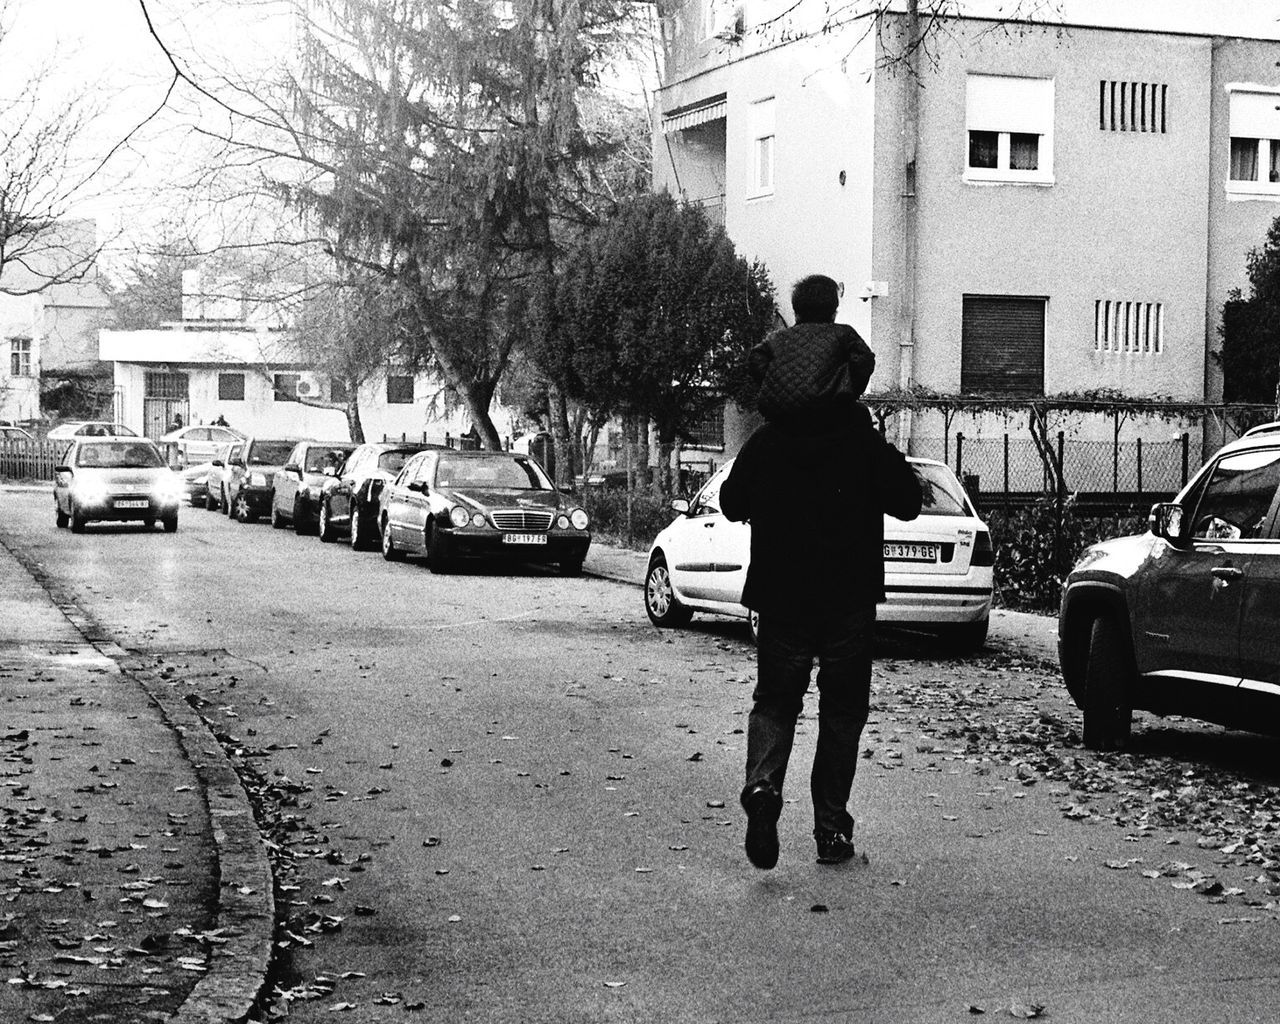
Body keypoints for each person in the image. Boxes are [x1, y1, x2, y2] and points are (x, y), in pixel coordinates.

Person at [720, 288, 921, 871]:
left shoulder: (768, 440)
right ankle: (831, 829)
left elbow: (731, 504)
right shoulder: (859, 439)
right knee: (842, 712)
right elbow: (908, 503)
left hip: (782, 594)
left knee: (776, 701)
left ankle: (763, 787)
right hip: (848, 598)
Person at [747, 274, 876, 435]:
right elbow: (864, 360)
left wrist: (776, 383)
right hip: (833, 414)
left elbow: (756, 358)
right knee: (861, 415)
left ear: (796, 311)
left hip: (783, 416)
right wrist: (845, 388)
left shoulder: (777, 338)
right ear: (833, 311)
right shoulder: (844, 334)